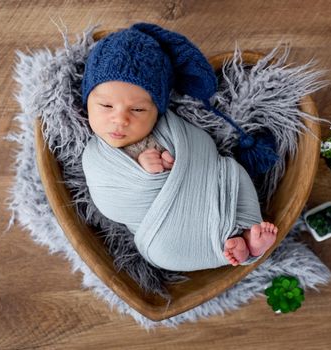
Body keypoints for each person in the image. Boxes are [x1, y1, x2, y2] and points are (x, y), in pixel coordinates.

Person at [81, 23, 278, 271]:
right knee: (163, 252)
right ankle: (229, 244)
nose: (120, 119)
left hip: (209, 189)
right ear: (87, 101)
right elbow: (112, 202)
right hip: (163, 230)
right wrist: (146, 173)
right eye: (106, 106)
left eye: (138, 109)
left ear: (157, 112)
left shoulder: (170, 129)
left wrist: (172, 158)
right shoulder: (94, 156)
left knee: (233, 172)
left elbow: (201, 148)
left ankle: (247, 232)